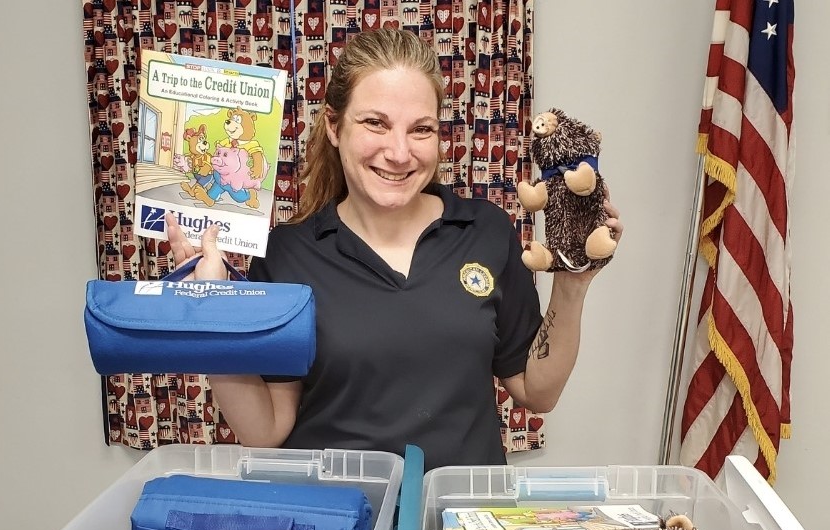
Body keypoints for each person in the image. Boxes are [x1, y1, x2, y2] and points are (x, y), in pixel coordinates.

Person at [165, 28, 622, 471]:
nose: (399, 152)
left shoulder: (484, 230)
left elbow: (537, 393)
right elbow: (265, 430)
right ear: (334, 126)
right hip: (340, 527)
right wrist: (213, 315)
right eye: (375, 124)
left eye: (421, 129)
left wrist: (572, 282)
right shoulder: (286, 253)